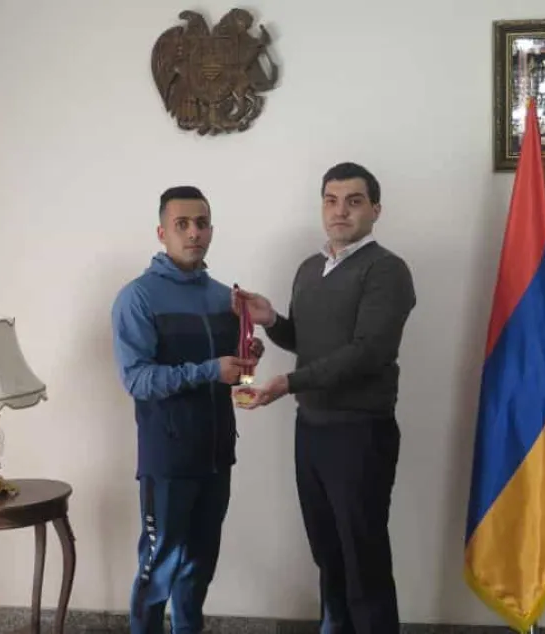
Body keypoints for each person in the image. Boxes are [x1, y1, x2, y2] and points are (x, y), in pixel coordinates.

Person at [233, 162, 416, 634]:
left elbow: (368, 352)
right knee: (327, 552)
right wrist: (272, 320)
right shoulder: (309, 268)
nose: (340, 211)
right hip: (311, 429)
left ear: (375, 210)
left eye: (354, 201)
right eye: (331, 200)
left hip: (360, 431)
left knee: (362, 556)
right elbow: (308, 342)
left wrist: (288, 383)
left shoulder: (386, 270)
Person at [111, 185, 263, 634]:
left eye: (201, 223)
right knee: (157, 570)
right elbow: (136, 379)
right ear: (162, 232)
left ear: (211, 230)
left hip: (217, 456)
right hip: (168, 460)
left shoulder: (224, 297)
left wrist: (247, 356)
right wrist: (210, 369)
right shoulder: (137, 298)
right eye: (182, 224)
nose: (193, 232)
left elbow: (234, 374)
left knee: (198, 569)